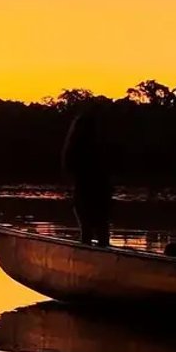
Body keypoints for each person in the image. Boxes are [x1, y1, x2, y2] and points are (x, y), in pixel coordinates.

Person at [62, 100, 115, 247]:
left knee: (88, 231)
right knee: (101, 231)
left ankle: (89, 261)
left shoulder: (74, 150)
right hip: (98, 192)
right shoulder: (98, 147)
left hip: (88, 192)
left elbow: (71, 170)